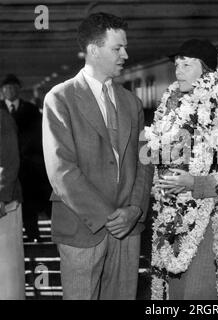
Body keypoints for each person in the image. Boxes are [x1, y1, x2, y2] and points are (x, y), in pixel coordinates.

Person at [42, 12, 154, 300]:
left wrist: (135, 210)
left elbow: (144, 160)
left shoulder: (132, 102)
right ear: (93, 50)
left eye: (124, 47)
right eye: (117, 48)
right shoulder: (60, 98)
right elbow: (61, 171)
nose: (125, 55)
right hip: (83, 226)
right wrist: (109, 217)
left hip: (127, 229)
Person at [148, 39, 218, 300]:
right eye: (177, 65)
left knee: (200, 294)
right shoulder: (172, 107)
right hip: (172, 217)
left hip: (209, 220)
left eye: (187, 65)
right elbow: (158, 158)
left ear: (207, 71)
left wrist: (195, 184)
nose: (178, 71)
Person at [0, 74, 47, 242]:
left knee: (29, 203)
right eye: (7, 88)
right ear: (2, 91)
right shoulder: (1, 111)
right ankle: (14, 239)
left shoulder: (31, 110)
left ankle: (33, 235)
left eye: (13, 88)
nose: (10, 91)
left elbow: (39, 135)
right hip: (6, 166)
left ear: (18, 90)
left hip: (28, 166)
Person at [0, 108, 25, 299]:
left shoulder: (2, 118)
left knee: (7, 272)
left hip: (4, 204)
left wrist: (1, 195)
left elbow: (10, 160)